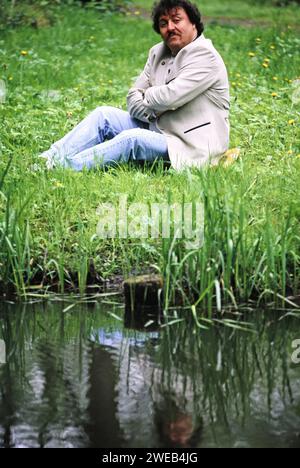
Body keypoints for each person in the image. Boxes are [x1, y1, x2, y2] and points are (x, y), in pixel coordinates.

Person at [40, 0, 230, 171]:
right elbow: (133, 97)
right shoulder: (158, 52)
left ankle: (60, 167)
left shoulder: (206, 56)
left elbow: (171, 97)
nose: (170, 27)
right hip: (158, 128)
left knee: (133, 138)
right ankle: (47, 158)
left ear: (194, 23)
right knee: (103, 114)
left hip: (190, 145)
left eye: (176, 20)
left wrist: (148, 95)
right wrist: (155, 108)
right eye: (163, 23)